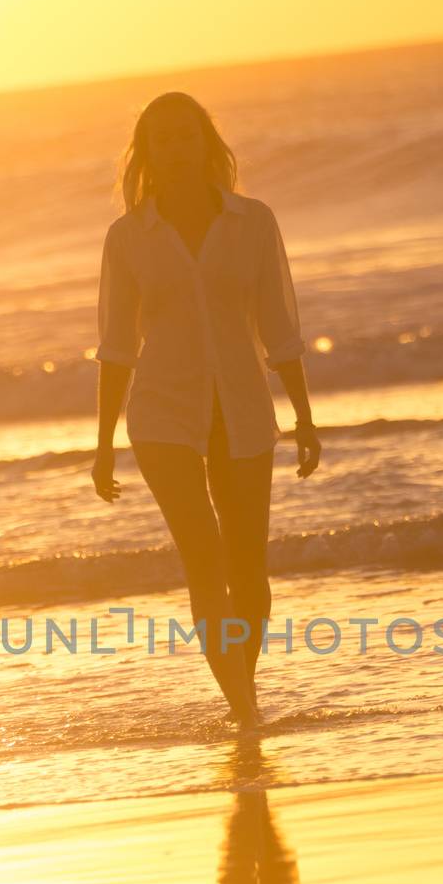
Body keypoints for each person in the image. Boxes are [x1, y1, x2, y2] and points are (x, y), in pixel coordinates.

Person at [90, 91, 321, 731]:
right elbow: (115, 348)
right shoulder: (128, 238)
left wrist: (303, 417)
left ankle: (241, 694)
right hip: (162, 413)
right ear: (148, 154)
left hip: (243, 407)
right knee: (204, 555)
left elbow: (281, 327)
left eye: (186, 136)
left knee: (248, 564)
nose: (176, 150)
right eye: (161, 139)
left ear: (206, 143)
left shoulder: (253, 222)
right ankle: (245, 711)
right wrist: (105, 442)